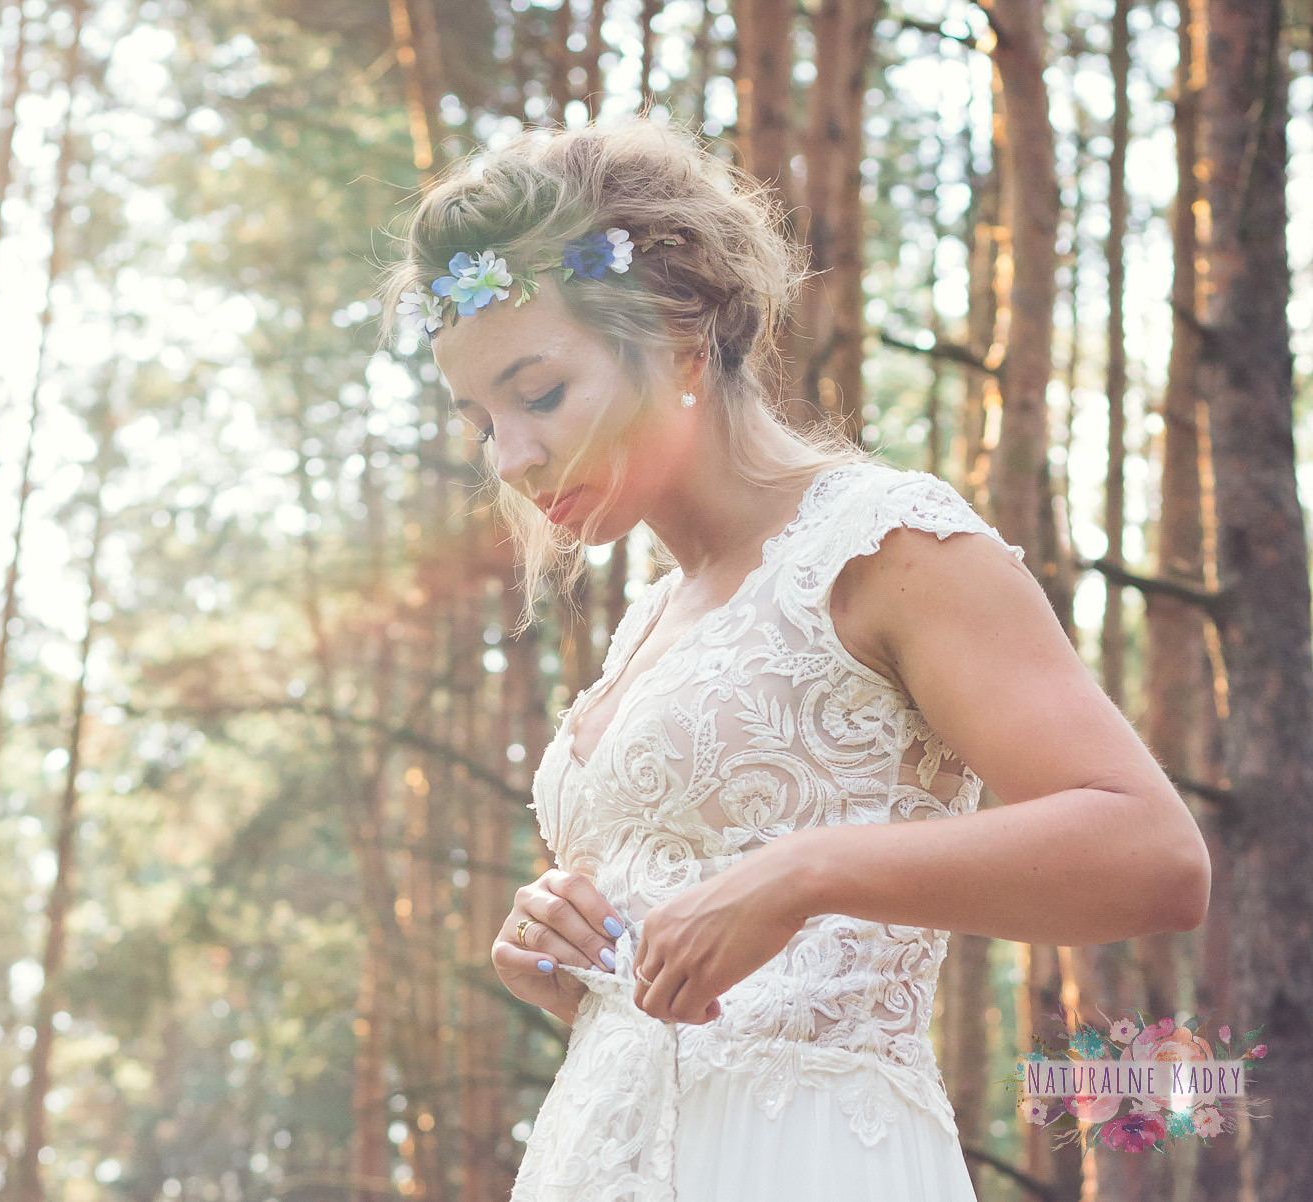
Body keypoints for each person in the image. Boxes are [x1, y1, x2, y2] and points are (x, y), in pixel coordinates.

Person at [378, 119, 1211, 1202]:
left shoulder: (882, 543)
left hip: (808, 1155)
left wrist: (806, 871)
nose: (512, 457)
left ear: (678, 344)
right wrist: (557, 952)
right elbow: (677, 954)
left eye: (537, 395)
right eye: (482, 421)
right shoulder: (650, 624)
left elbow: (1154, 854)